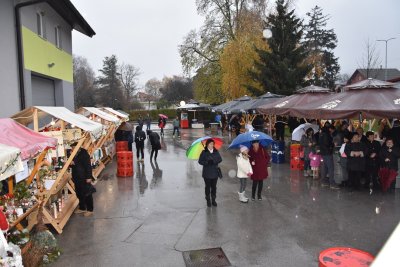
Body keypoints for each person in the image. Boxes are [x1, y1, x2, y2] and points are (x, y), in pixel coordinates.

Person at [70, 142, 95, 217]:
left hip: (84, 177)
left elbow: (88, 166)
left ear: (78, 147)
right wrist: (72, 163)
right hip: (77, 177)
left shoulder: (84, 154)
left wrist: (88, 177)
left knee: (87, 193)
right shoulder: (74, 154)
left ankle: (90, 210)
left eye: (73, 147)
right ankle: (82, 207)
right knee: (79, 193)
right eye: (72, 148)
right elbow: (74, 164)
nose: (72, 149)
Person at [198, 139, 222, 207]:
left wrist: (213, 161)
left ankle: (213, 200)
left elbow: (220, 159)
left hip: (214, 173)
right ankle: (208, 200)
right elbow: (200, 161)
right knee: (207, 187)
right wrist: (207, 162)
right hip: (207, 173)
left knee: (214, 187)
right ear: (207, 145)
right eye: (210, 144)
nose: (211, 145)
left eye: (212, 144)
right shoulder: (204, 152)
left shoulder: (216, 151)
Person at [319, 125, 340, 189]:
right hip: (328, 153)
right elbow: (328, 144)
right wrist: (332, 144)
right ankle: (332, 183)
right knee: (331, 168)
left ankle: (323, 182)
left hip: (323, 153)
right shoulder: (327, 135)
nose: (330, 130)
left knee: (324, 168)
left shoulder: (321, 135)